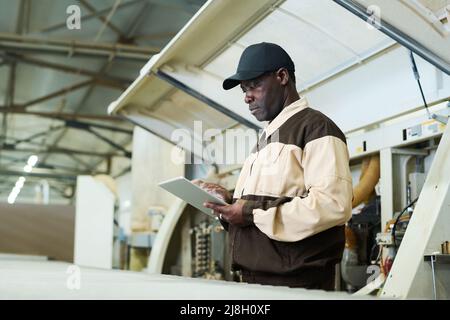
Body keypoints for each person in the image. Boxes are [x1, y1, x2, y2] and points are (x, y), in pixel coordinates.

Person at [194, 42, 352, 290]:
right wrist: (230, 202)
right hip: (255, 280)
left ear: (282, 77)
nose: (247, 97)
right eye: (244, 89)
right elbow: (262, 206)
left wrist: (248, 212)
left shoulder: (316, 128)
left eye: (254, 85)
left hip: (296, 284)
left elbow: (332, 205)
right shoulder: (267, 139)